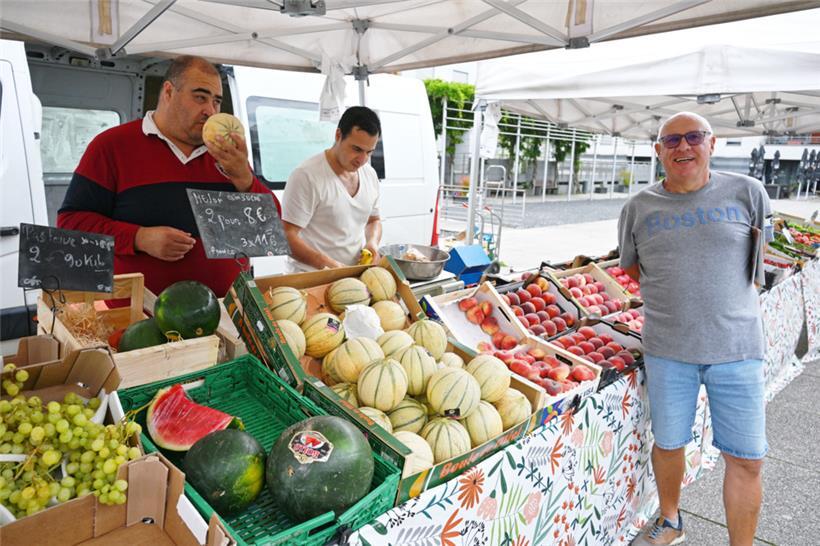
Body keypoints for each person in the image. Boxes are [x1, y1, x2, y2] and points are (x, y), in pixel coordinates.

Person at [620, 112, 772, 546]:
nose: (682, 147)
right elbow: (631, 268)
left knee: (747, 460)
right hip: (668, 349)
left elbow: (757, 259)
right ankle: (671, 521)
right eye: (671, 140)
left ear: (712, 143)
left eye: (693, 137)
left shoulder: (748, 193)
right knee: (668, 444)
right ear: (657, 151)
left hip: (738, 347)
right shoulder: (638, 208)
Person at [58, 55, 278, 296]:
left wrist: (244, 177)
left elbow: (271, 228)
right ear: (169, 92)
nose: (210, 111)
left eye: (216, 101)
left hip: (227, 312)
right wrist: (139, 238)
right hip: (139, 319)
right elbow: (71, 223)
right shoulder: (111, 146)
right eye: (200, 97)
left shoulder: (227, 155)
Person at [282, 106, 382, 271]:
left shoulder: (370, 175)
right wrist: (325, 262)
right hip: (310, 279)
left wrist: (372, 242)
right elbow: (286, 236)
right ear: (338, 135)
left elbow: (374, 220)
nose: (362, 160)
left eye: (369, 152)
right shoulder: (306, 175)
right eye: (356, 149)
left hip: (350, 279)